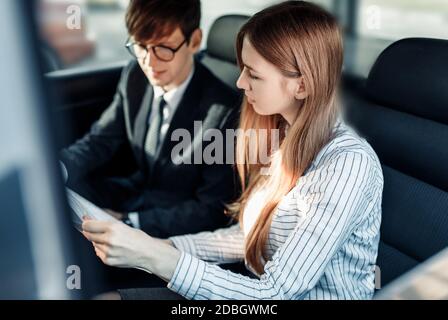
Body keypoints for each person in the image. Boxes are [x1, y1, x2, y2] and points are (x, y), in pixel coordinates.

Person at [82, 1, 384, 300]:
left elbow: (274, 293)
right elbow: (247, 239)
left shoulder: (347, 164)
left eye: (253, 74)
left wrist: (154, 256)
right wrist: (163, 246)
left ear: (301, 86)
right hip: (247, 286)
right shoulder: (279, 138)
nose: (240, 83)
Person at [61, 0, 241, 238]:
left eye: (163, 48)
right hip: (134, 191)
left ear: (195, 41)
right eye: (141, 46)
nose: (149, 62)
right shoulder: (134, 76)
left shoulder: (223, 111)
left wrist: (128, 222)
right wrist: (58, 168)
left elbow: (212, 209)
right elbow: (100, 140)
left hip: (175, 225)